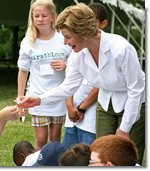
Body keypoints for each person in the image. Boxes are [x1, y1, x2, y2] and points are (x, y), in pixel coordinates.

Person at [18, 2, 145, 165]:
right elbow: (68, 87)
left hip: (135, 100)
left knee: (128, 155)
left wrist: (125, 128)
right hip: (106, 101)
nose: (64, 42)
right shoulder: (77, 56)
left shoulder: (121, 48)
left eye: (68, 36)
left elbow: (136, 90)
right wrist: (38, 99)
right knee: (100, 153)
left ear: (83, 32)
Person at [17, 0, 71, 150]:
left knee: (55, 139)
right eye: (36, 16)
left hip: (58, 97)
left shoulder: (63, 37)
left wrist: (65, 65)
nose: (40, 19)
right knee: (40, 140)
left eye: (44, 15)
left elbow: (77, 61)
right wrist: (20, 97)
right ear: (32, 18)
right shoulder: (29, 41)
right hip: (36, 97)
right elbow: (23, 70)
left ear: (53, 17)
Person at [62, 2, 108, 148]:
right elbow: (68, 82)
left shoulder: (108, 49)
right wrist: (70, 106)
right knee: (68, 154)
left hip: (90, 116)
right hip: (72, 114)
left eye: (91, 21)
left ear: (103, 24)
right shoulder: (76, 52)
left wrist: (82, 108)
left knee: (87, 154)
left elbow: (101, 84)